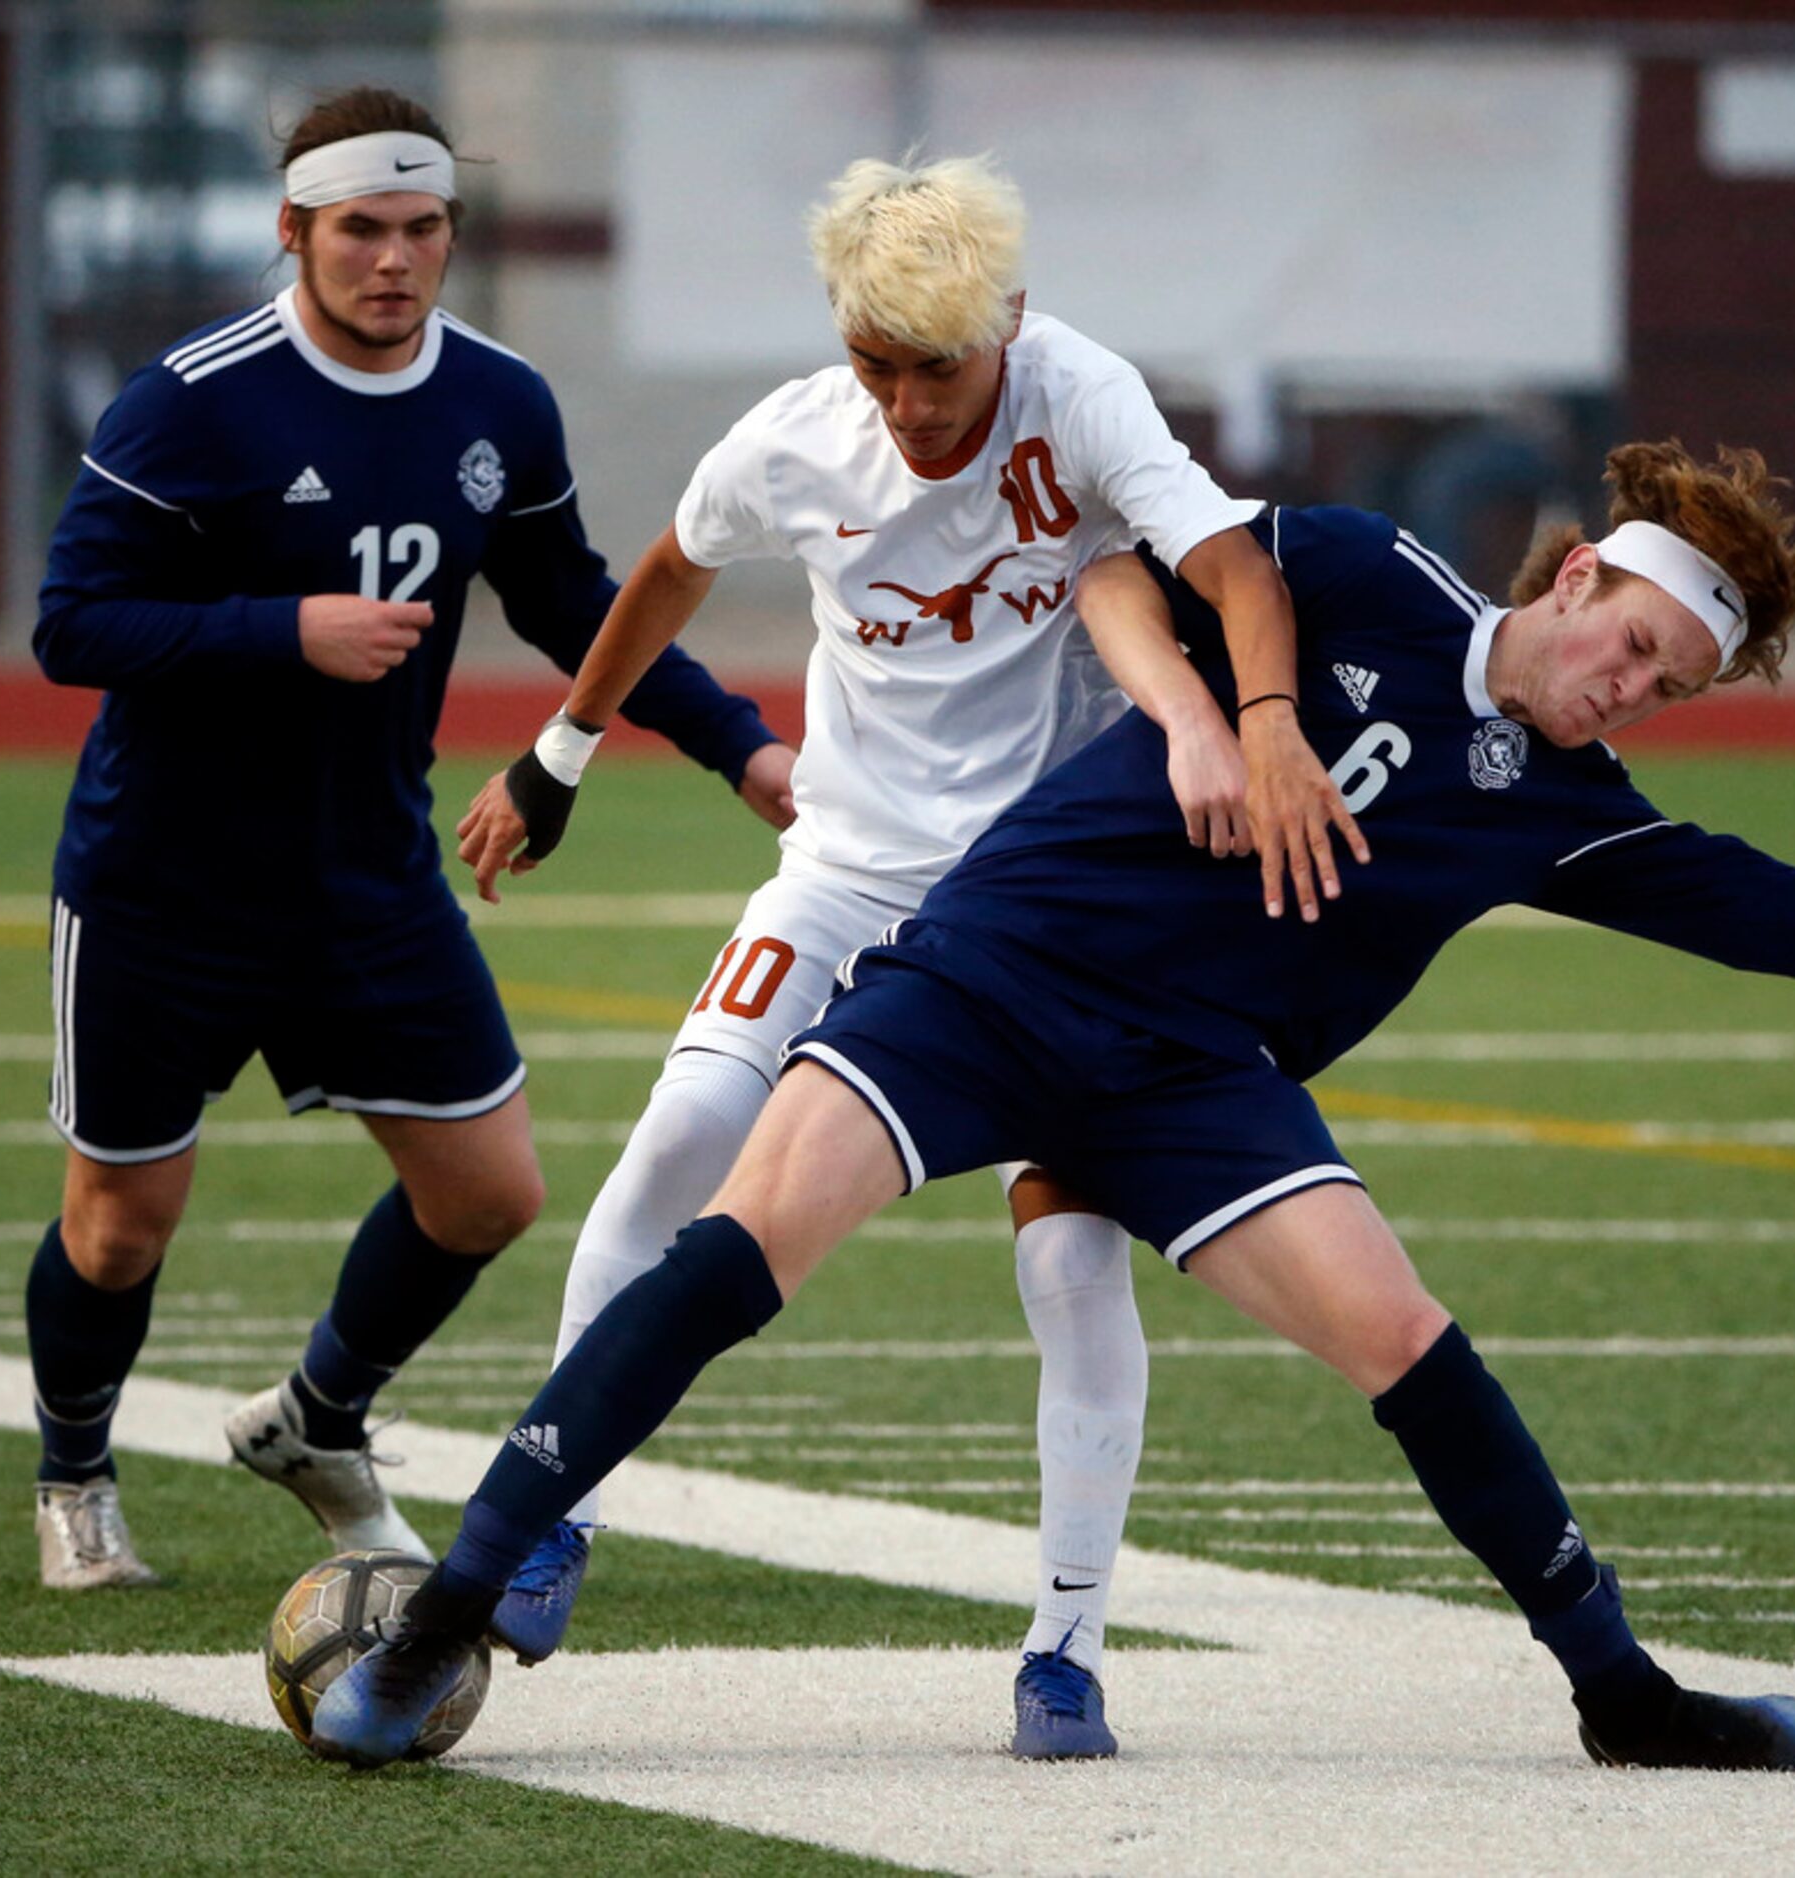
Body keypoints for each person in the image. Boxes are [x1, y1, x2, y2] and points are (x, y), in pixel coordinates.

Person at [312, 437, 1795, 1771]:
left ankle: (1627, 1695)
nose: (1634, 691)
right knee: (745, 1239)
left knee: (1404, 1330)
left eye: (1669, 686)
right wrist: (1247, 718)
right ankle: (444, 1617)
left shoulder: (1566, 805)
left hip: (1190, 1072)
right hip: (1000, 961)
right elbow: (1123, 579)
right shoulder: (1364, 573)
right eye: (1639, 648)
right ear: (1582, 573)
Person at [451, 153, 1353, 1759]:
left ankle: (1067, 1646)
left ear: (1004, 321)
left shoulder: (1079, 396)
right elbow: (667, 568)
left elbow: (1230, 566)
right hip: (844, 875)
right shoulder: (798, 437)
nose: (911, 403)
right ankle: (556, 1511)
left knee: (1071, 1262)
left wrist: (1262, 725)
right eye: (878, 363)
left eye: (939, 366)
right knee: (674, 1150)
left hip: (1043, 911)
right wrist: (561, 753)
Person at [25, 87, 794, 1593]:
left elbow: (575, 598)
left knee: (490, 1190)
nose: (393, 260)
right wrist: (279, 628)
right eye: (361, 230)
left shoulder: (500, 402)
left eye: (423, 228)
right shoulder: (190, 400)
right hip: (161, 884)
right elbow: (70, 626)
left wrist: (742, 745)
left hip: (367, 873)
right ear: (294, 232)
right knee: (120, 1227)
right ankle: (73, 1470)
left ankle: (317, 1415)